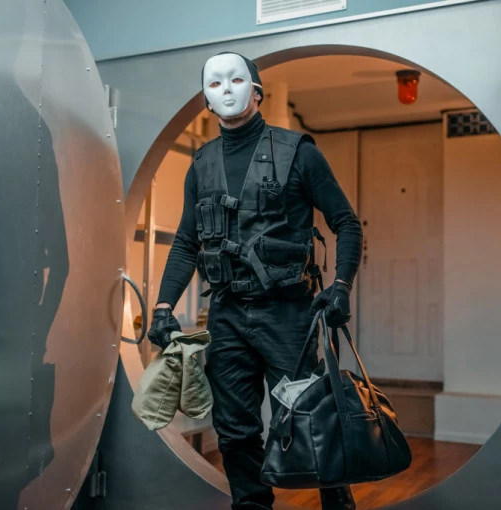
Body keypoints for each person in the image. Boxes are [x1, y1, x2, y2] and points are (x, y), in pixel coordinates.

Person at [147, 51, 362, 510]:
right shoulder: (201, 164)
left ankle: (337, 505)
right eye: (215, 84)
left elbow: (346, 222)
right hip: (227, 316)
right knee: (234, 431)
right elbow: (186, 242)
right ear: (206, 100)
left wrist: (342, 285)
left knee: (310, 421)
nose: (226, 90)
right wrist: (163, 306)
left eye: (236, 80)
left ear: (257, 92)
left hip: (288, 314)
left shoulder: (299, 152)